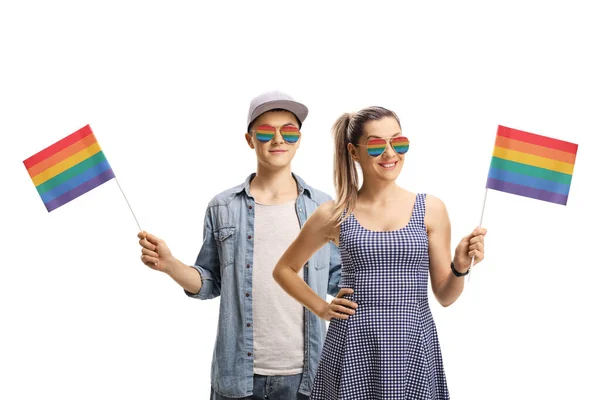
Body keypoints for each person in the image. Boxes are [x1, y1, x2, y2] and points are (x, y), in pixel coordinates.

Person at [137, 91, 349, 399]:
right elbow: (209, 282)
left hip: (309, 377)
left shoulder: (324, 206)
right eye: (265, 131)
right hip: (238, 376)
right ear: (250, 140)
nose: (278, 140)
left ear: (299, 139)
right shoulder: (223, 207)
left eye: (288, 131)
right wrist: (170, 265)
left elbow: (340, 277)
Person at [273, 106, 487, 399]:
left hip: (413, 347)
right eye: (376, 145)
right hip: (353, 345)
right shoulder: (334, 214)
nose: (390, 154)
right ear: (354, 151)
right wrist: (322, 308)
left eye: (398, 142)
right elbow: (284, 269)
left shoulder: (431, 209)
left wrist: (459, 266)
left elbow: (445, 296)